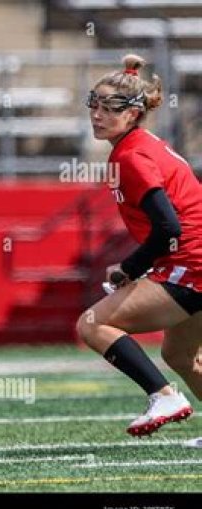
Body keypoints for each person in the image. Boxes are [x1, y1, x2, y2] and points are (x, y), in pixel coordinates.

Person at [76, 54, 202, 439]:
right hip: (192, 257)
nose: (97, 114)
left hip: (191, 261)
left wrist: (129, 268)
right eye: (94, 104)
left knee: (92, 324)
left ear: (132, 114)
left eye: (109, 107)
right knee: (180, 355)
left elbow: (168, 227)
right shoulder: (141, 145)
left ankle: (164, 396)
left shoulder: (132, 155)